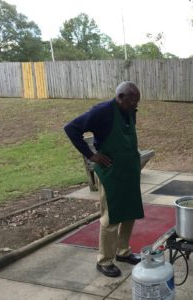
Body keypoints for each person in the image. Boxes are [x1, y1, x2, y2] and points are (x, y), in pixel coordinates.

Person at [64, 81, 144, 277]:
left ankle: (123, 252)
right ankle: (104, 260)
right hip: (111, 172)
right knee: (111, 217)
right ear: (121, 97)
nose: (136, 106)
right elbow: (71, 128)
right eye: (133, 102)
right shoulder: (102, 111)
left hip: (129, 171)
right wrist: (91, 155)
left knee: (129, 212)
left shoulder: (129, 110)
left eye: (137, 102)